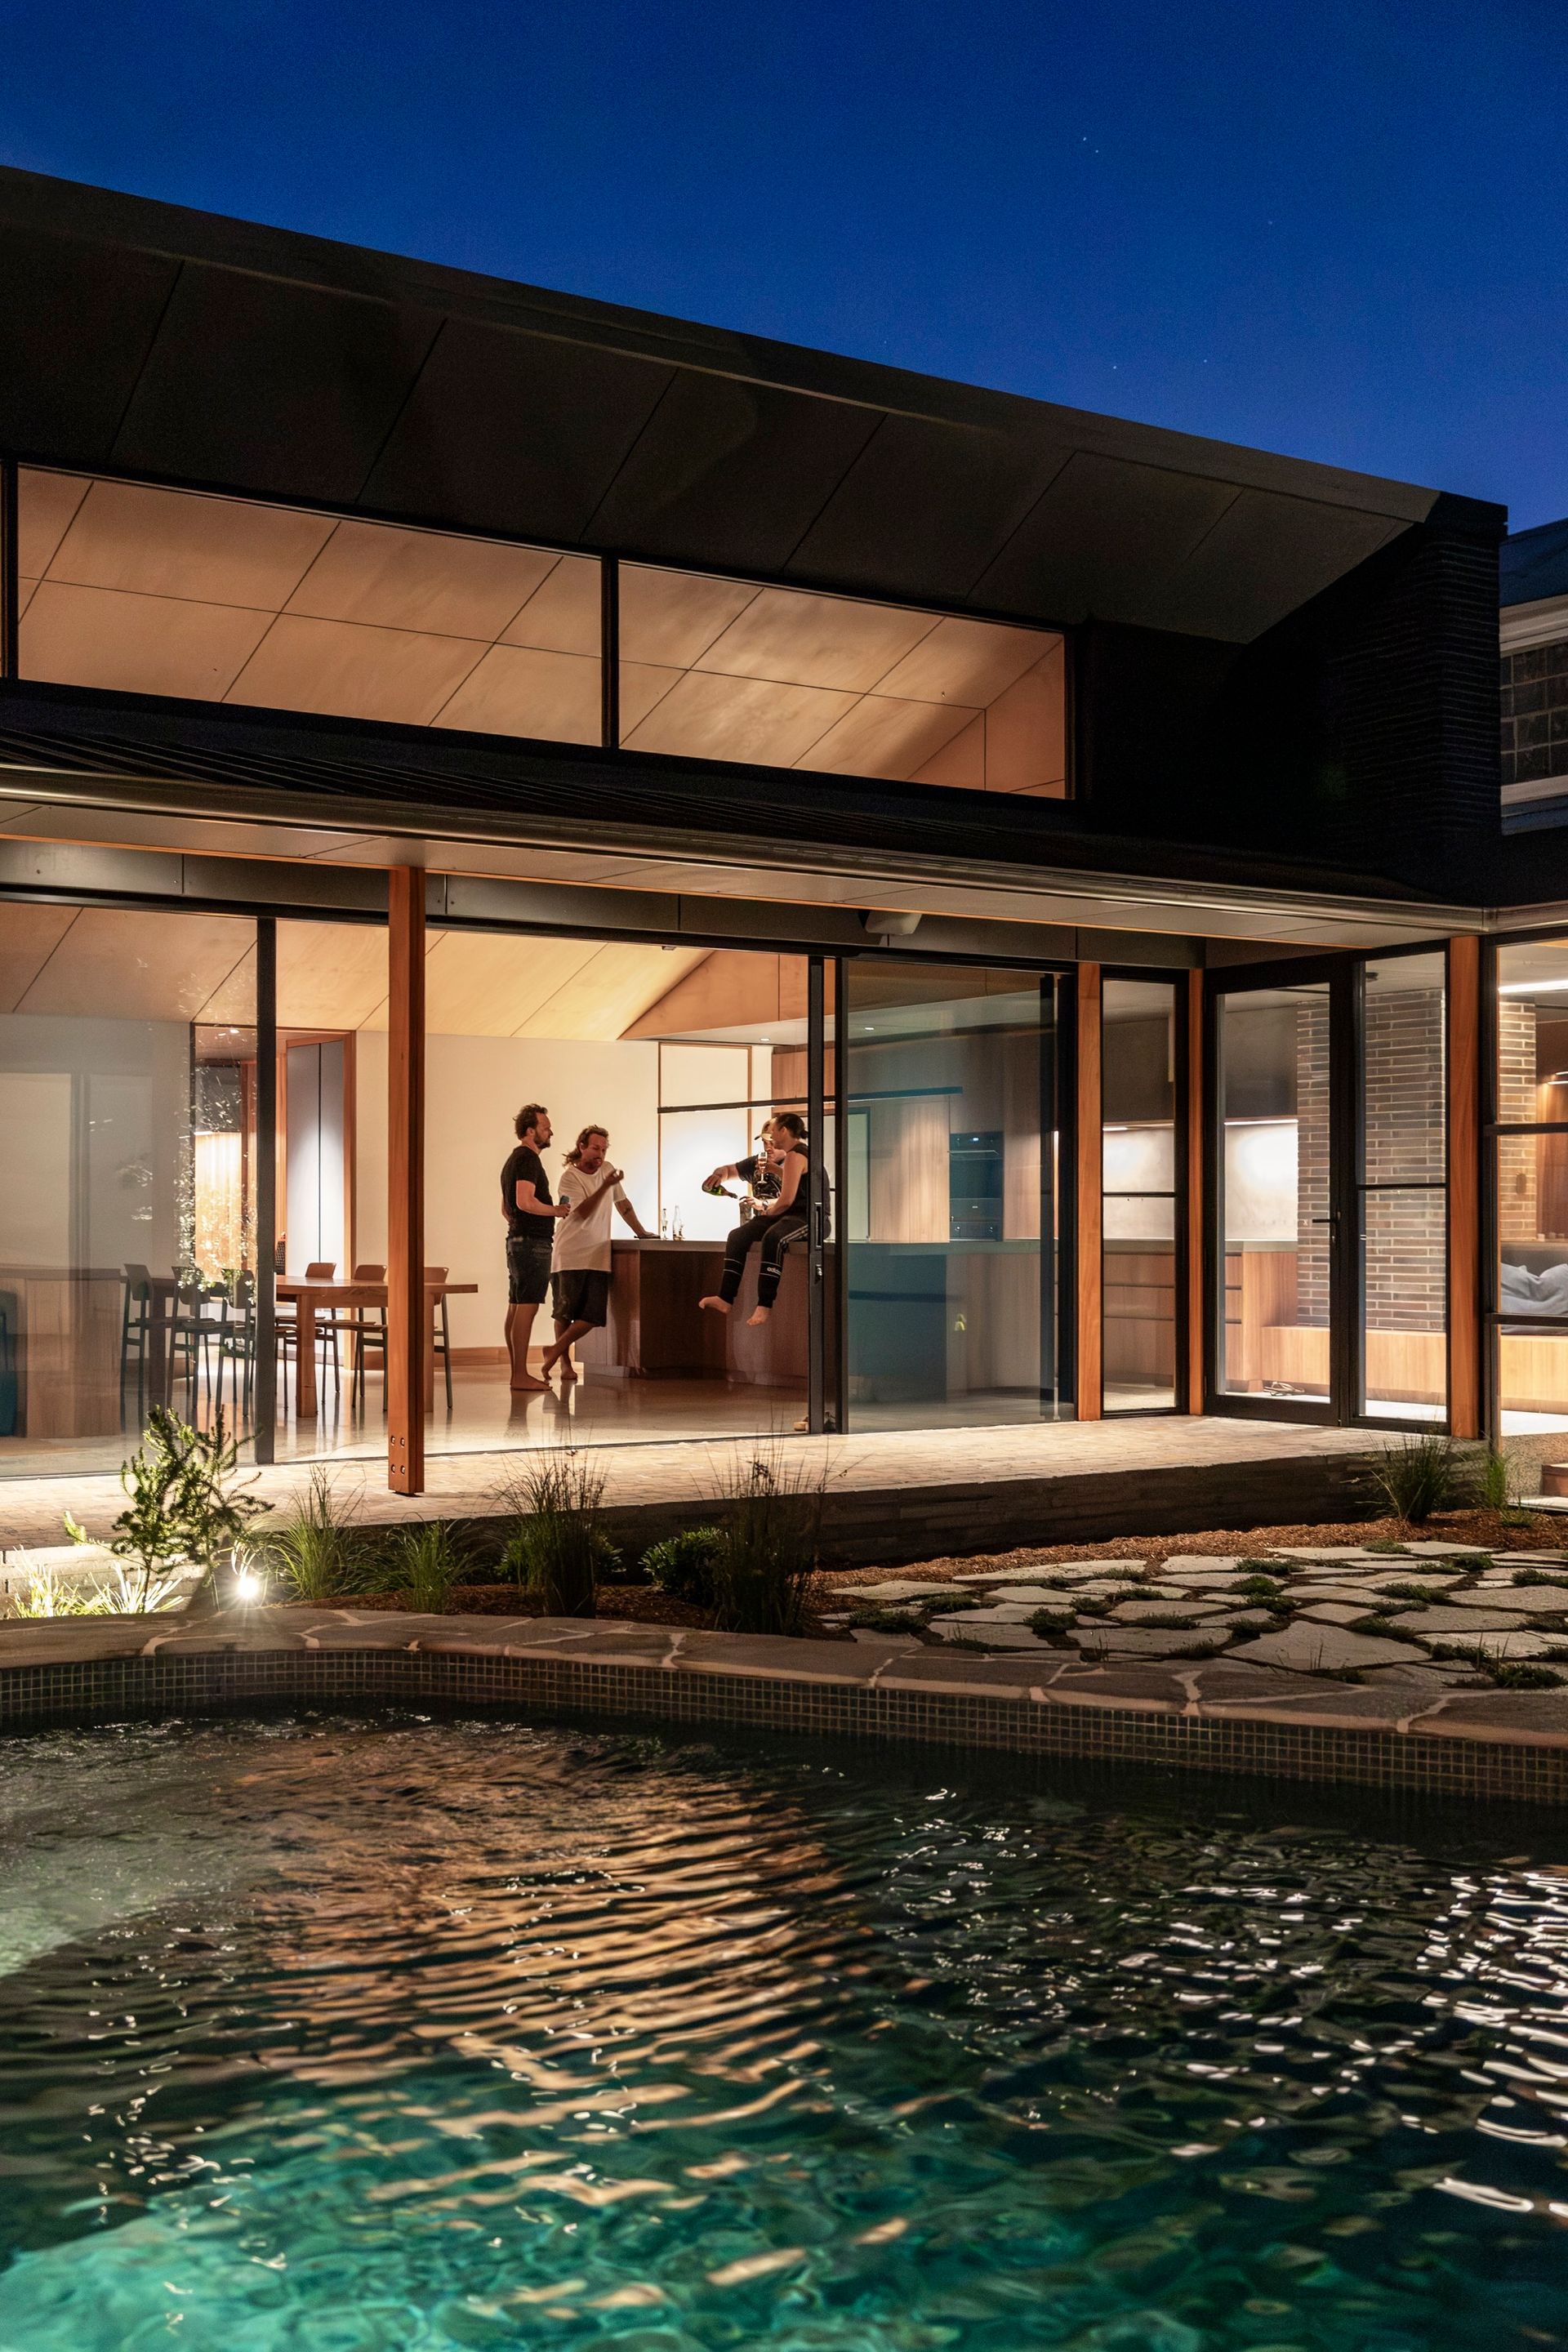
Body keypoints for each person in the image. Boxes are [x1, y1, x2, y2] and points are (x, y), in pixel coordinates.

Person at [541, 1125, 650, 1380]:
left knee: (592, 1316)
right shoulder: (569, 1177)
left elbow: (622, 1204)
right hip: (570, 1253)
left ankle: (554, 1350)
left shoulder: (608, 1169)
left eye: (603, 1149)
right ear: (581, 1147)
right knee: (564, 1313)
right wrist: (604, 1186)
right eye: (594, 1148)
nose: (599, 1154)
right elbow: (581, 1212)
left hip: (598, 1254)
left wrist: (642, 1231)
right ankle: (564, 1363)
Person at [698, 1111, 811, 1329]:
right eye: (765, 1141)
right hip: (785, 1215)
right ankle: (725, 1298)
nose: (769, 1145)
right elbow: (730, 1170)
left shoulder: (797, 1155)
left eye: (771, 1139)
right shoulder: (759, 1161)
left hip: (804, 1216)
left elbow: (787, 1200)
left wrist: (766, 1207)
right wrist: (719, 1175)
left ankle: (764, 1304)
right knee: (738, 1235)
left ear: (783, 1131)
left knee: (773, 1237)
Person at [500, 1104, 571, 1391]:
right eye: (545, 1127)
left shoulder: (512, 1161)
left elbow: (507, 1210)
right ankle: (519, 1374)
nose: (550, 1131)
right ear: (531, 1131)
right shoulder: (528, 1159)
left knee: (517, 1306)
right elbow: (524, 1202)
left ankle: (516, 1372)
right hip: (532, 1243)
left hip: (517, 1240)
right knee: (527, 1306)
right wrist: (557, 1210)